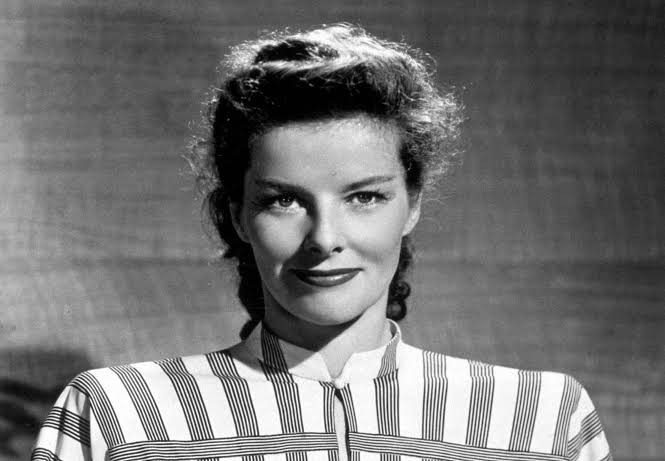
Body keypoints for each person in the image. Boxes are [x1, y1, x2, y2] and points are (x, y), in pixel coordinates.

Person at [31, 24, 612, 461]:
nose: (324, 239)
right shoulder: (119, 416)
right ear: (236, 215)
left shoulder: (541, 421)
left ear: (412, 204)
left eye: (365, 197)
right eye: (283, 200)